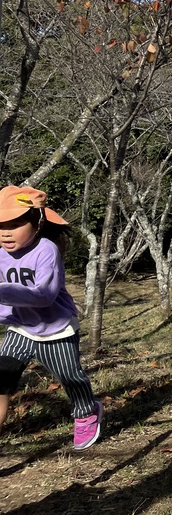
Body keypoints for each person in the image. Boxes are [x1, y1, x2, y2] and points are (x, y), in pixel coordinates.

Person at [0, 186, 103, 450]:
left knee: (70, 377)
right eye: (1, 224)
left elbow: (44, 295)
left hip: (55, 330)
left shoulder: (46, 251)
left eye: (16, 223)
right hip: (21, 328)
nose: (6, 231)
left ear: (37, 223)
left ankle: (86, 411)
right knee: (1, 376)